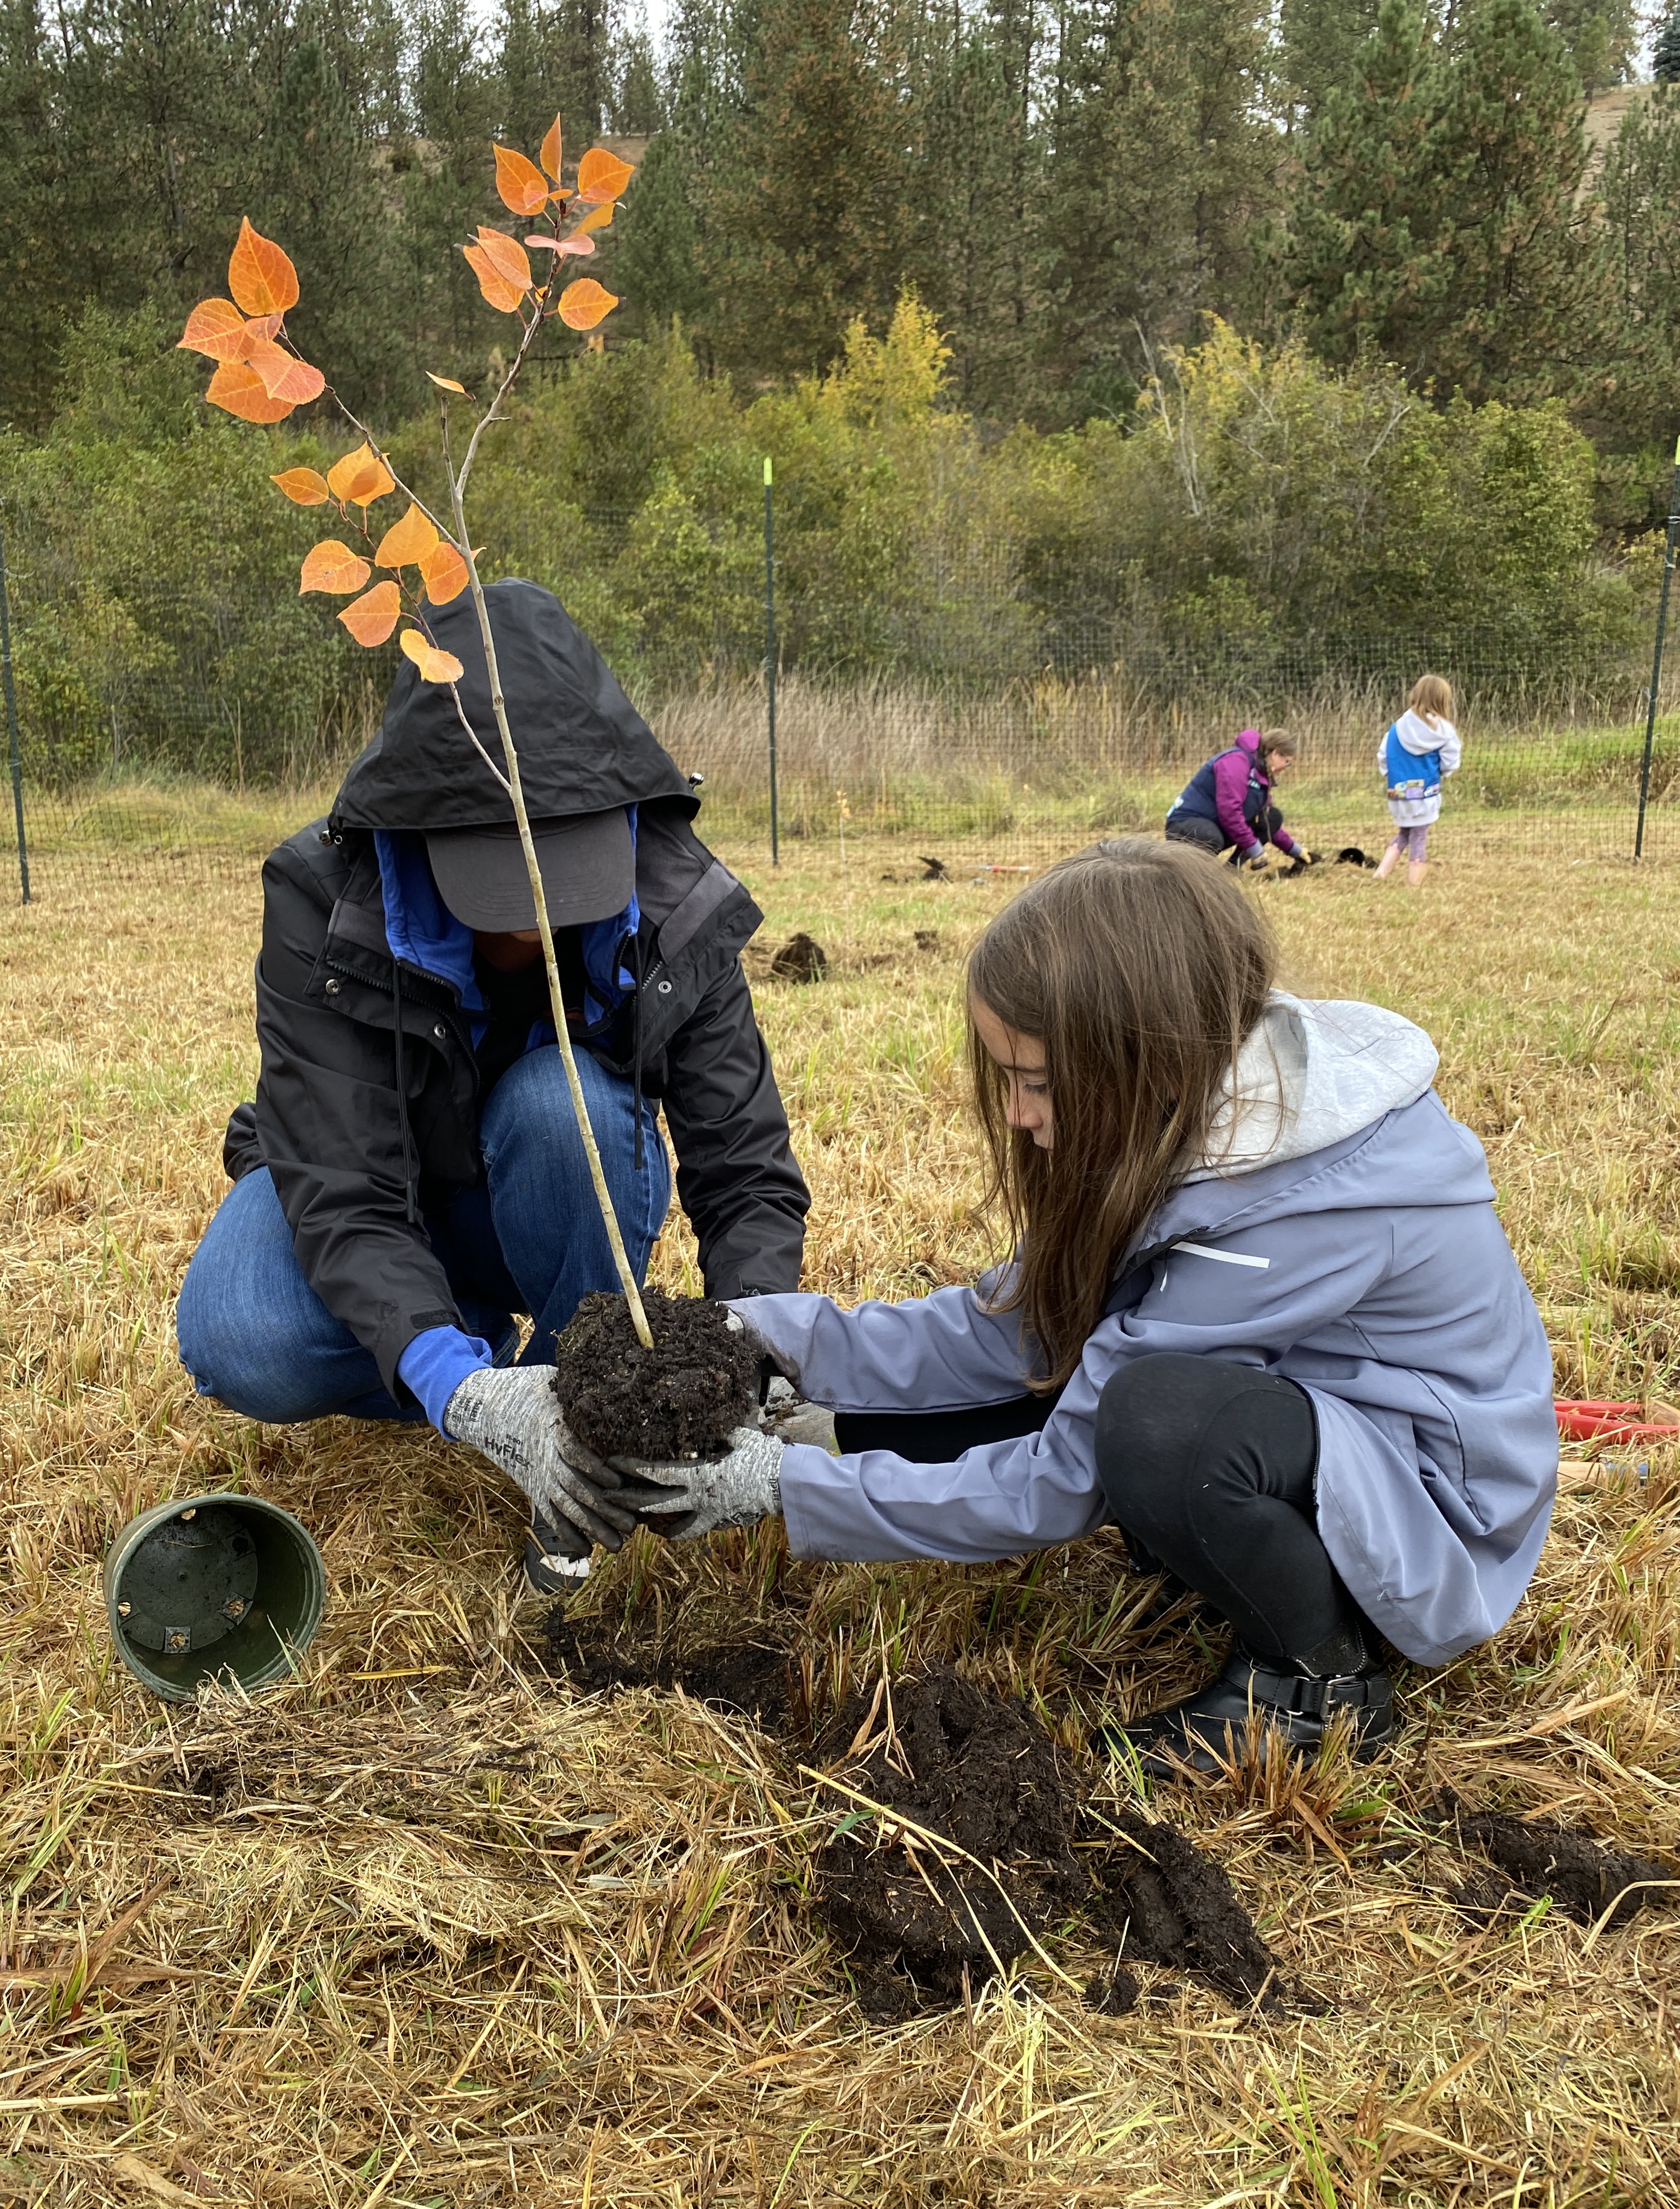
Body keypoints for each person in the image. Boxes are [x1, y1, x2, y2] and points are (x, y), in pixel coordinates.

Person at [609, 839, 1557, 1776]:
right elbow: (1014, 1327)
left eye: (1039, 1083)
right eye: (1007, 1078)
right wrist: (773, 1333)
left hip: (1435, 1507)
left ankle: (1315, 1684)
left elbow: (1055, 1483)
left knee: (1151, 1423)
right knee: (1080, 1376)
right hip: (1314, 1425)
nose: (1018, 1115)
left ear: (1141, 1063)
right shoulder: (1198, 1113)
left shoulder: (1293, 1207)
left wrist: (780, 1488)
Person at [176, 578, 810, 1599]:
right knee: (237, 1331)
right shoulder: (323, 900)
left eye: (564, 878)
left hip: (547, 1184)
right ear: (414, 832)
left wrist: (757, 1347)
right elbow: (344, 1191)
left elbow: (745, 1170)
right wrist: (465, 1392)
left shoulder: (673, 899)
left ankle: (578, 1409)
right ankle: (476, 1364)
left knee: (562, 1104)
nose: (532, 925)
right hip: (395, 1198)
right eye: (498, 889)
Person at [1165, 727, 1311, 873]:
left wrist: (1294, 849)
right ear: (1275, 754)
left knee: (1272, 817)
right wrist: (1253, 847)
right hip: (1184, 824)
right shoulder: (1236, 762)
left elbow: (1265, 823)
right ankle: (1186, 874)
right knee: (1210, 838)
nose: (1286, 767)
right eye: (1287, 762)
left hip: (1216, 824)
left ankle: (1230, 871)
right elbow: (1230, 812)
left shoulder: (1261, 773)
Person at [1377, 674, 1462, 889]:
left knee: (1405, 832)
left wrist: (1394, 776)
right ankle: (1414, 882)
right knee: (1419, 836)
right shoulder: (1444, 731)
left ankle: (1381, 873)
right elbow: (1451, 762)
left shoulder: (1396, 728)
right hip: (1426, 796)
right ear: (1443, 700)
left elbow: (1384, 757)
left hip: (1398, 795)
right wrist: (1442, 772)